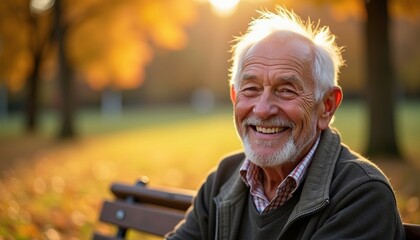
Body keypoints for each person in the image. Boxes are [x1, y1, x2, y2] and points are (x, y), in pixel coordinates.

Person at [166, 6, 405, 240]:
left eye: (286, 90)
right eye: (251, 89)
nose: (262, 109)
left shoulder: (361, 194)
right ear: (234, 97)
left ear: (327, 105)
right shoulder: (222, 178)